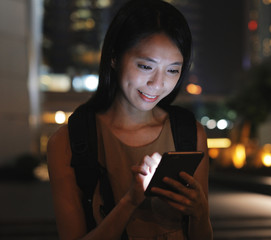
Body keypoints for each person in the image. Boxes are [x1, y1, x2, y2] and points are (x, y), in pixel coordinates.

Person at [47, 0, 213, 239]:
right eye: (146, 66)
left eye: (173, 70)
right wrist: (130, 201)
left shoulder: (189, 133)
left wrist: (199, 212)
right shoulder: (68, 142)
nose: (157, 84)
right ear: (114, 57)